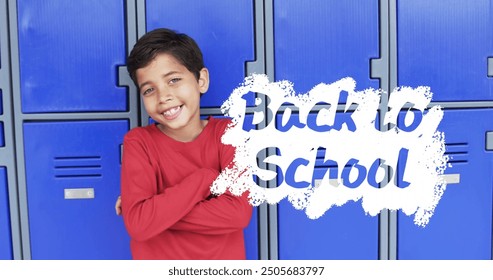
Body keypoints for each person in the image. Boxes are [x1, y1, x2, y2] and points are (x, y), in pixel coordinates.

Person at [116, 28, 252, 260]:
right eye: (149, 89)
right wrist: (206, 178)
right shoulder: (138, 142)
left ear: (202, 80)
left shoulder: (230, 134)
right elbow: (138, 226)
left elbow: (238, 214)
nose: (163, 96)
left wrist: (152, 212)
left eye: (174, 80)